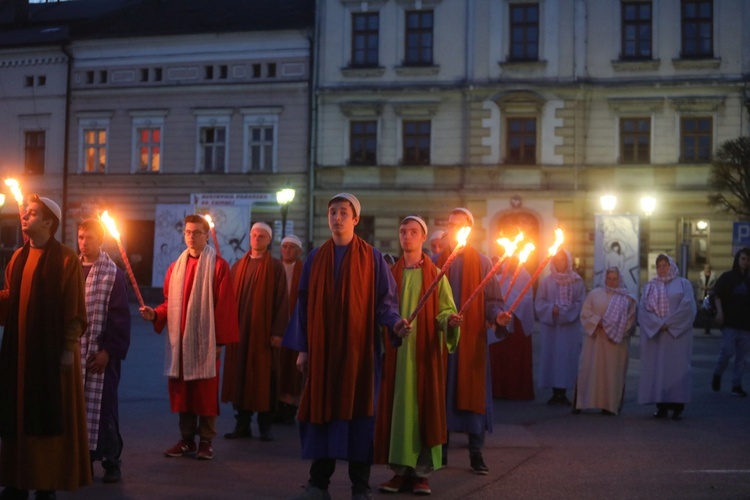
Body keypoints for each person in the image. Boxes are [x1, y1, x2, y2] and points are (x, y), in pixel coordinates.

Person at [282, 193, 408, 500]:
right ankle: (318, 484)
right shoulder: (315, 258)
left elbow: (386, 303)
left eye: (343, 213)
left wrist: (394, 323)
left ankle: (360, 488)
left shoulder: (373, 258)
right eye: (332, 212)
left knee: (358, 418)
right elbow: (303, 305)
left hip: (358, 355)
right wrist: (304, 348)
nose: (336, 217)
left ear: (355, 219)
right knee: (321, 412)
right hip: (324, 355)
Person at [0, 195, 91, 498]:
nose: (24, 216)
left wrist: (67, 349)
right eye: (25, 213)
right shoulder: (17, 257)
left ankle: (44, 482)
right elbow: (12, 301)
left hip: (52, 358)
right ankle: (16, 478)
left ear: (49, 222)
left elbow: (75, 310)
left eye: (33, 213)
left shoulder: (66, 260)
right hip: (19, 355)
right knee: (17, 415)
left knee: (46, 417)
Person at [139, 215, 239, 460]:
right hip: (181, 343)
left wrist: (219, 343)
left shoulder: (218, 266)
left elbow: (224, 307)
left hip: (205, 342)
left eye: (196, 232)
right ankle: (186, 440)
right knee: (183, 391)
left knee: (204, 391)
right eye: (187, 232)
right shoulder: (175, 267)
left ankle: (206, 441)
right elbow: (169, 304)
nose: (191, 236)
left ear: (206, 235)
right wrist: (155, 314)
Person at [375, 216, 460, 496]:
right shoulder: (389, 273)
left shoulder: (437, 274)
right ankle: (399, 472)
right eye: (403, 232)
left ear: (423, 238)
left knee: (424, 409)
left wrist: (449, 321)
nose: (407, 236)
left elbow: (444, 310)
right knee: (399, 412)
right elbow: (381, 310)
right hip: (398, 357)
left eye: (413, 232)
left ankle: (422, 474)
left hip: (424, 356)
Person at [436, 208, 511, 475]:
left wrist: (498, 316)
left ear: (470, 227)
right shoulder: (435, 261)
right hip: (442, 342)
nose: (455, 228)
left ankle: (476, 453)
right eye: (451, 224)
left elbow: (492, 301)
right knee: (441, 393)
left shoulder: (482, 263)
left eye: (461, 224)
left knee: (474, 393)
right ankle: (440, 451)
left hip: (472, 342)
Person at [222, 222, 288, 441]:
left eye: (261, 236)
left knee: (264, 378)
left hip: (263, 336)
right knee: (240, 377)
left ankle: (265, 425)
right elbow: (228, 301)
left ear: (269, 240)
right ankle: (242, 424)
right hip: (241, 334)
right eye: (253, 234)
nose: (257, 238)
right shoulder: (238, 266)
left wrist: (278, 332)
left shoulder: (276, 267)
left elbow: (282, 302)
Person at [77, 219, 132, 483]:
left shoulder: (113, 274)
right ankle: (83, 460)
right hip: (74, 352)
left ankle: (112, 461)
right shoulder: (71, 269)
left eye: (88, 237)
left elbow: (119, 317)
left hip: (101, 355)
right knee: (77, 409)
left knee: (105, 408)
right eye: (80, 237)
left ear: (100, 240)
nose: (83, 242)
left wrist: (108, 351)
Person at [637, 254, 696, 420]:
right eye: (659, 266)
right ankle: (661, 406)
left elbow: (688, 307)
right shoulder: (650, 286)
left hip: (677, 337)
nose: (662, 269)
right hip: (658, 337)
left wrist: (669, 324)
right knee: (659, 371)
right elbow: (644, 309)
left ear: (671, 266)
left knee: (677, 370)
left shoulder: (683, 284)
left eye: (665, 265)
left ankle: (677, 406)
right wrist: (657, 324)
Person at [573, 267, 636, 416]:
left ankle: (609, 406)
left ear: (619, 279)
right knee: (589, 371)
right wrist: (597, 322)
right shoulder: (595, 294)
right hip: (595, 342)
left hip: (615, 345)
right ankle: (583, 402)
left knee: (612, 374)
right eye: (609, 278)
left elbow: (631, 320)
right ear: (605, 279)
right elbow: (585, 313)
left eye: (615, 279)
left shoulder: (628, 299)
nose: (612, 282)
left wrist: (614, 329)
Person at [535, 249, 586, 406]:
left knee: (567, 358)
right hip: (551, 328)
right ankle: (554, 392)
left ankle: (564, 391)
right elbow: (539, 302)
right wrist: (551, 309)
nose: (559, 263)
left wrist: (565, 313)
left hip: (569, 329)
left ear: (568, 261)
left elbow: (580, 302)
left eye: (562, 260)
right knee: (552, 358)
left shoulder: (577, 281)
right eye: (556, 260)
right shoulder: (547, 281)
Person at [489, 256, 535, 401]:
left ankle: (517, 390)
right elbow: (495, 297)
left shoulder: (525, 276)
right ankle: (499, 389)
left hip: (518, 324)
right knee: (500, 356)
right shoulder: (499, 277)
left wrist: (513, 305)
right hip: (501, 321)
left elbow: (527, 298)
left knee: (516, 357)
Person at [711, 248, 750, 397]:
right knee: (727, 351)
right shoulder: (727, 277)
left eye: (748, 260)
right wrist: (720, 312)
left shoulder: (748, 280)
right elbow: (717, 295)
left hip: (746, 325)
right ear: (738, 259)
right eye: (743, 259)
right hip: (730, 323)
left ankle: (736, 384)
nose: (745, 262)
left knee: (742, 357)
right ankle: (718, 373)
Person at [277, 234, 305, 423]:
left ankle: (290, 407)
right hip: (278, 327)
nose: (287, 250)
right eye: (284, 247)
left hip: (296, 326)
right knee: (278, 367)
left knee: (293, 370)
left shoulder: (303, 270)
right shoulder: (275, 268)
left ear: (299, 251)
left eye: (291, 247)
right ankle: (276, 405)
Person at [694, 264, 717, 335]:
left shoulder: (713, 276)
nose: (707, 269)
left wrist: (708, 288)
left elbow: (714, 285)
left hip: (709, 296)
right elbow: (698, 283)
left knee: (708, 313)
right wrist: (702, 287)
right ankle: (704, 327)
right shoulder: (701, 275)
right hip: (701, 295)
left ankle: (708, 329)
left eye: (708, 268)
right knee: (703, 312)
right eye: (706, 268)